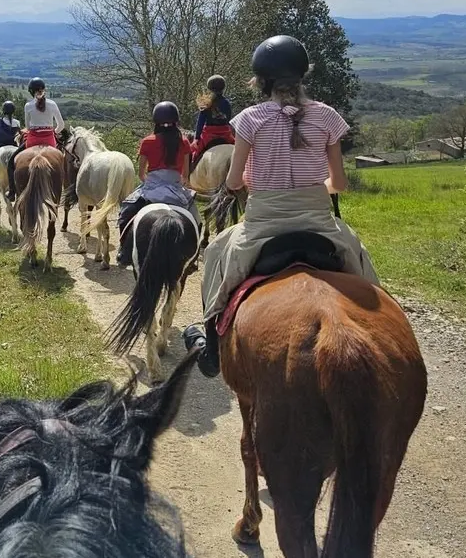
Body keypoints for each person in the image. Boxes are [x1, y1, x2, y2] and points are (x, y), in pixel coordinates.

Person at [181, 35, 380, 378]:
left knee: (215, 254)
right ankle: (380, 338)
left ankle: (212, 350)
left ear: (261, 82)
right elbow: (340, 184)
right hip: (319, 220)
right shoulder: (328, 117)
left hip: (263, 223)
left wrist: (255, 182)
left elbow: (233, 182)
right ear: (303, 76)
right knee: (364, 268)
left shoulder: (248, 120)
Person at [115, 101, 198, 268]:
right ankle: (193, 258)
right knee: (196, 219)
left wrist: (150, 182)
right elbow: (185, 176)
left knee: (126, 212)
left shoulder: (147, 141)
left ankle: (124, 250)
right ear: (176, 120)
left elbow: (141, 174)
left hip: (152, 186)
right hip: (175, 187)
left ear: (155, 121)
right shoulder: (184, 142)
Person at [5, 77, 65, 202]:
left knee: (11, 162)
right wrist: (53, 132)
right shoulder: (52, 104)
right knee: (64, 161)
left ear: (31, 91)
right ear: (44, 90)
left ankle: (11, 191)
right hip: (49, 140)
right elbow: (61, 125)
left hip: (32, 140)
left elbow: (27, 126)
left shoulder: (28, 106)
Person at [191, 75, 235, 164]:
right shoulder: (226, 102)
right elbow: (229, 119)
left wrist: (197, 138)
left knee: (194, 152)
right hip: (225, 133)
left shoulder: (206, 103)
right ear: (223, 88)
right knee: (237, 149)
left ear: (209, 88)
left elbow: (200, 122)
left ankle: (191, 168)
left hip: (209, 134)